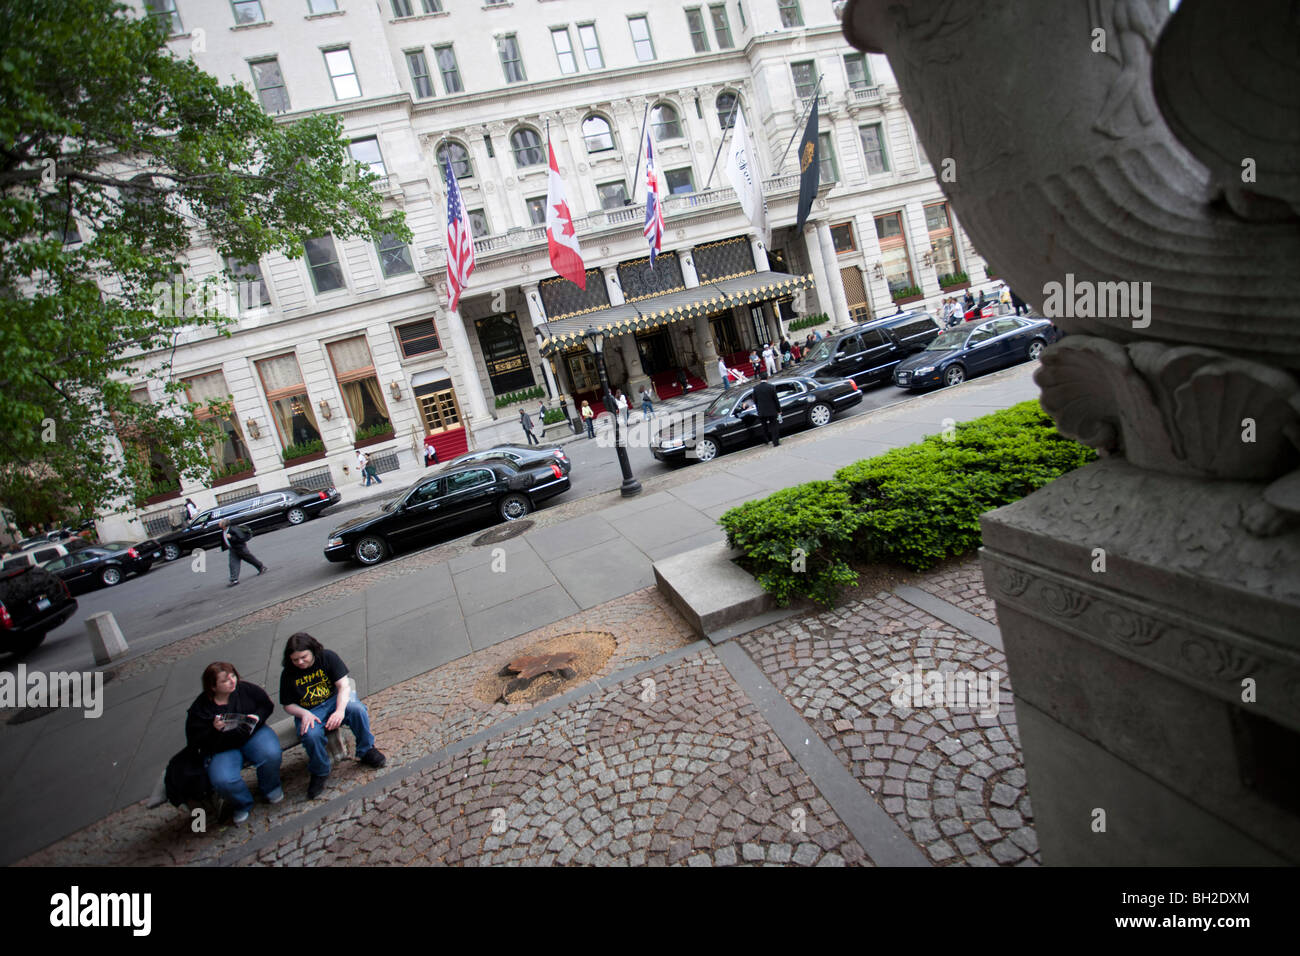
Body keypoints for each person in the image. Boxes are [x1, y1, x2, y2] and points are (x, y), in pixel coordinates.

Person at [280, 632, 386, 799]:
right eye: (295, 660)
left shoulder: (327, 657)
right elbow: (287, 704)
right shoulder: (288, 673)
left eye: (303, 657)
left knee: (358, 711)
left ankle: (366, 750)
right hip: (310, 710)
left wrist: (339, 710)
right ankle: (320, 770)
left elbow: (344, 686)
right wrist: (304, 714)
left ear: (312, 651)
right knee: (310, 735)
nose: (300, 662)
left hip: (333, 699)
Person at [186, 662, 281, 823]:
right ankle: (242, 802)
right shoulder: (201, 709)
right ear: (213, 687)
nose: (232, 681)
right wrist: (213, 730)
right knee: (223, 779)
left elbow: (266, 705)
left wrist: (257, 717)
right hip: (221, 748)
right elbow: (196, 740)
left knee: (271, 754)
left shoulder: (245, 689)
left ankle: (270, 787)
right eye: (225, 681)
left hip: (252, 735)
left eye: (233, 676)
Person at [219, 518, 265, 587]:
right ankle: (234, 580)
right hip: (232, 550)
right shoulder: (223, 531)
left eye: (220, 522)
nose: (218, 523)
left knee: (250, 559)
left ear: (224, 525)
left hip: (241, 548)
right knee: (233, 564)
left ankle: (261, 567)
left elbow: (241, 538)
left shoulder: (233, 529)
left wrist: (231, 537)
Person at [752, 377, 782, 447]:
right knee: (774, 426)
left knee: (764, 427)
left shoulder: (756, 388)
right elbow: (776, 400)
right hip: (772, 410)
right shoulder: (771, 387)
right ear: (767, 378)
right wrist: (779, 410)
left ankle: (766, 440)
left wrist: (758, 408)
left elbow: (755, 401)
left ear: (760, 379)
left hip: (761, 411)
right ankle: (775, 442)